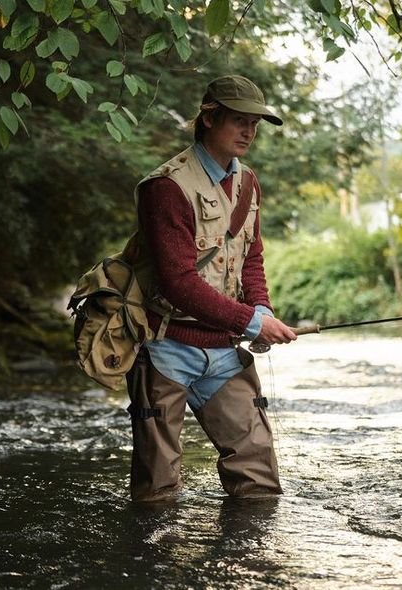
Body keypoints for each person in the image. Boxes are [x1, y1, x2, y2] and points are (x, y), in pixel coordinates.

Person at [126, 74, 297, 503]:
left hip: (224, 351)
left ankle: (250, 566)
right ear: (208, 118)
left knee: (260, 483)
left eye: (255, 123)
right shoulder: (165, 187)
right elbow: (178, 283)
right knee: (157, 493)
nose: (249, 131)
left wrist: (263, 311)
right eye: (238, 120)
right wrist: (250, 320)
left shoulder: (248, 183)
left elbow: (251, 259)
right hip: (165, 347)